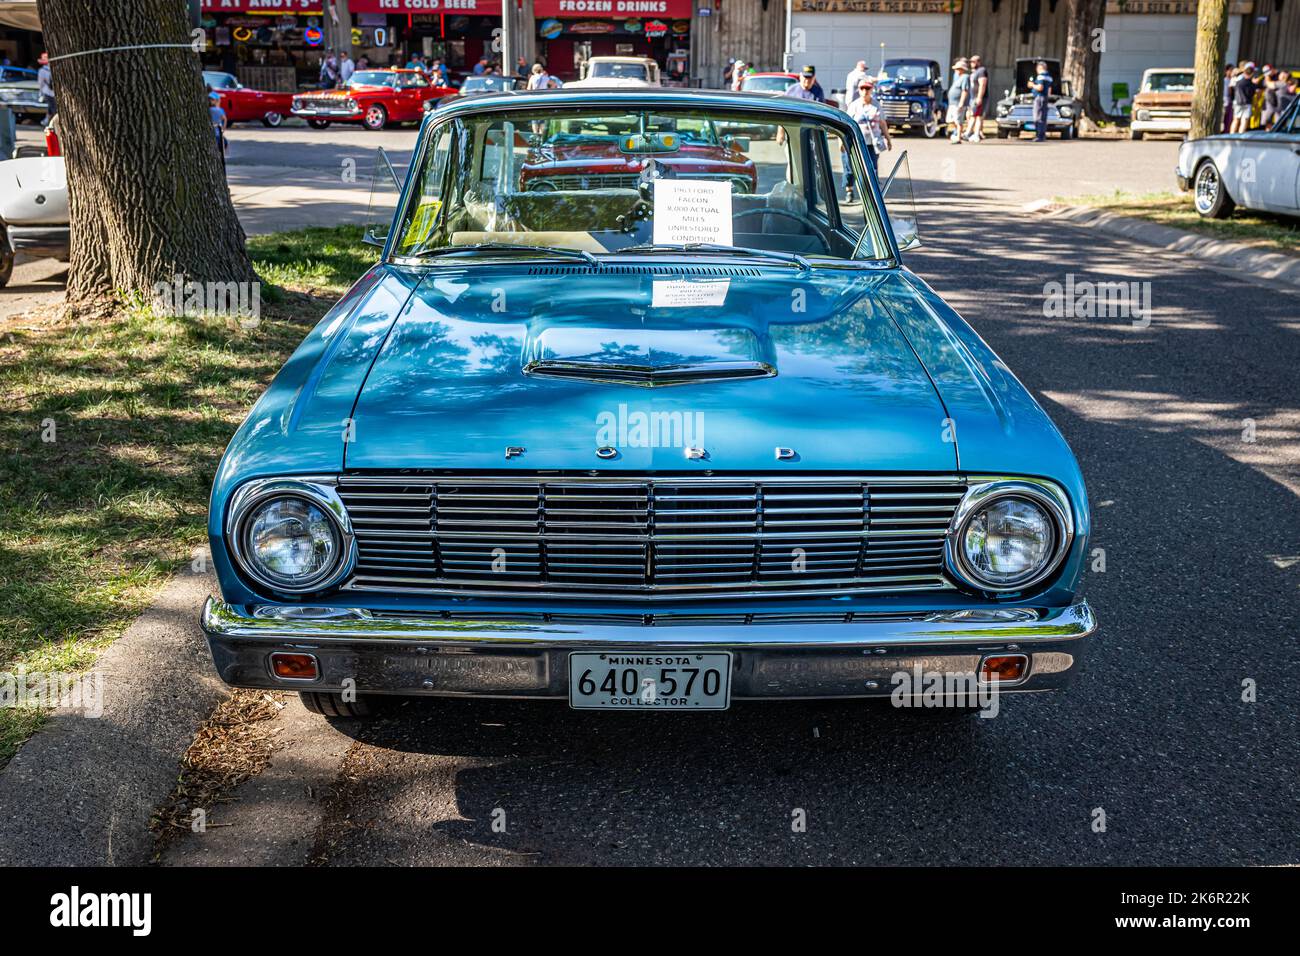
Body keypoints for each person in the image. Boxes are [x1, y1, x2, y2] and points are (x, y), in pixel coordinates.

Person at [847, 77, 890, 184]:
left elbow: (882, 123)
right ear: (859, 90)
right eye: (862, 88)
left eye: (868, 88)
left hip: (873, 142)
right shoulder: (854, 106)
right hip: (858, 142)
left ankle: (874, 192)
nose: (865, 91)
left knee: (873, 167)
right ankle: (855, 190)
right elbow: (846, 124)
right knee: (858, 166)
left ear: (871, 90)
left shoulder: (876, 105)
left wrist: (888, 139)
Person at [964, 54, 988, 142]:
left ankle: (975, 134)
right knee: (972, 115)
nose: (971, 63)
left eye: (974, 62)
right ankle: (970, 133)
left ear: (979, 62)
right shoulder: (974, 72)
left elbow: (982, 84)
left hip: (978, 97)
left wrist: (979, 97)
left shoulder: (982, 70)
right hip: (972, 98)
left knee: (977, 116)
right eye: (971, 62)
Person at [1028, 58, 1052, 142]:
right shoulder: (1049, 77)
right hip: (1045, 98)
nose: (1037, 70)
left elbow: (1040, 87)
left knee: (1037, 117)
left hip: (1039, 97)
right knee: (1043, 117)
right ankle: (1042, 135)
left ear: (1040, 68)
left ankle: (1039, 135)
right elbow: (1049, 90)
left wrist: (1032, 85)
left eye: (1037, 68)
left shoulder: (1041, 76)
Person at [947, 58, 970, 143]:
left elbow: (965, 90)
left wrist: (961, 103)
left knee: (958, 120)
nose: (956, 70)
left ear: (961, 69)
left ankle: (958, 137)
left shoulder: (965, 77)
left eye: (957, 69)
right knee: (951, 120)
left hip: (958, 103)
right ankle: (957, 134)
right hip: (953, 103)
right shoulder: (958, 77)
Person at [1230, 63, 1255, 133]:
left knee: (1236, 119)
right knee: (1244, 121)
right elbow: (1252, 93)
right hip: (1247, 103)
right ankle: (1240, 136)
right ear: (1252, 73)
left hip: (1237, 102)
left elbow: (1232, 90)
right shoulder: (1252, 84)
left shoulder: (1238, 82)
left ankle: (1231, 135)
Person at [208, 89, 228, 172]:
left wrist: (223, 128)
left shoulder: (212, 110)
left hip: (216, 132)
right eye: (209, 99)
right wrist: (223, 128)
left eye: (212, 99)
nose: (210, 101)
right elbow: (225, 119)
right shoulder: (219, 110)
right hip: (217, 132)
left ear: (216, 101)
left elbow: (224, 119)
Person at [37, 52, 55, 126]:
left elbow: (40, 83)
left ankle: (48, 122)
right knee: (51, 107)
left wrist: (40, 93)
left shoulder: (42, 71)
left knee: (52, 108)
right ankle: (47, 121)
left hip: (47, 92)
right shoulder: (55, 69)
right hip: (54, 93)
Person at [1222, 63, 1236, 132]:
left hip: (1230, 102)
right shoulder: (1225, 80)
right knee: (1225, 120)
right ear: (1226, 71)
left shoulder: (1233, 80)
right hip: (1226, 102)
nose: (1232, 72)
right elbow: (1227, 93)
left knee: (1229, 120)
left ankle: (1226, 131)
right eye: (1230, 70)